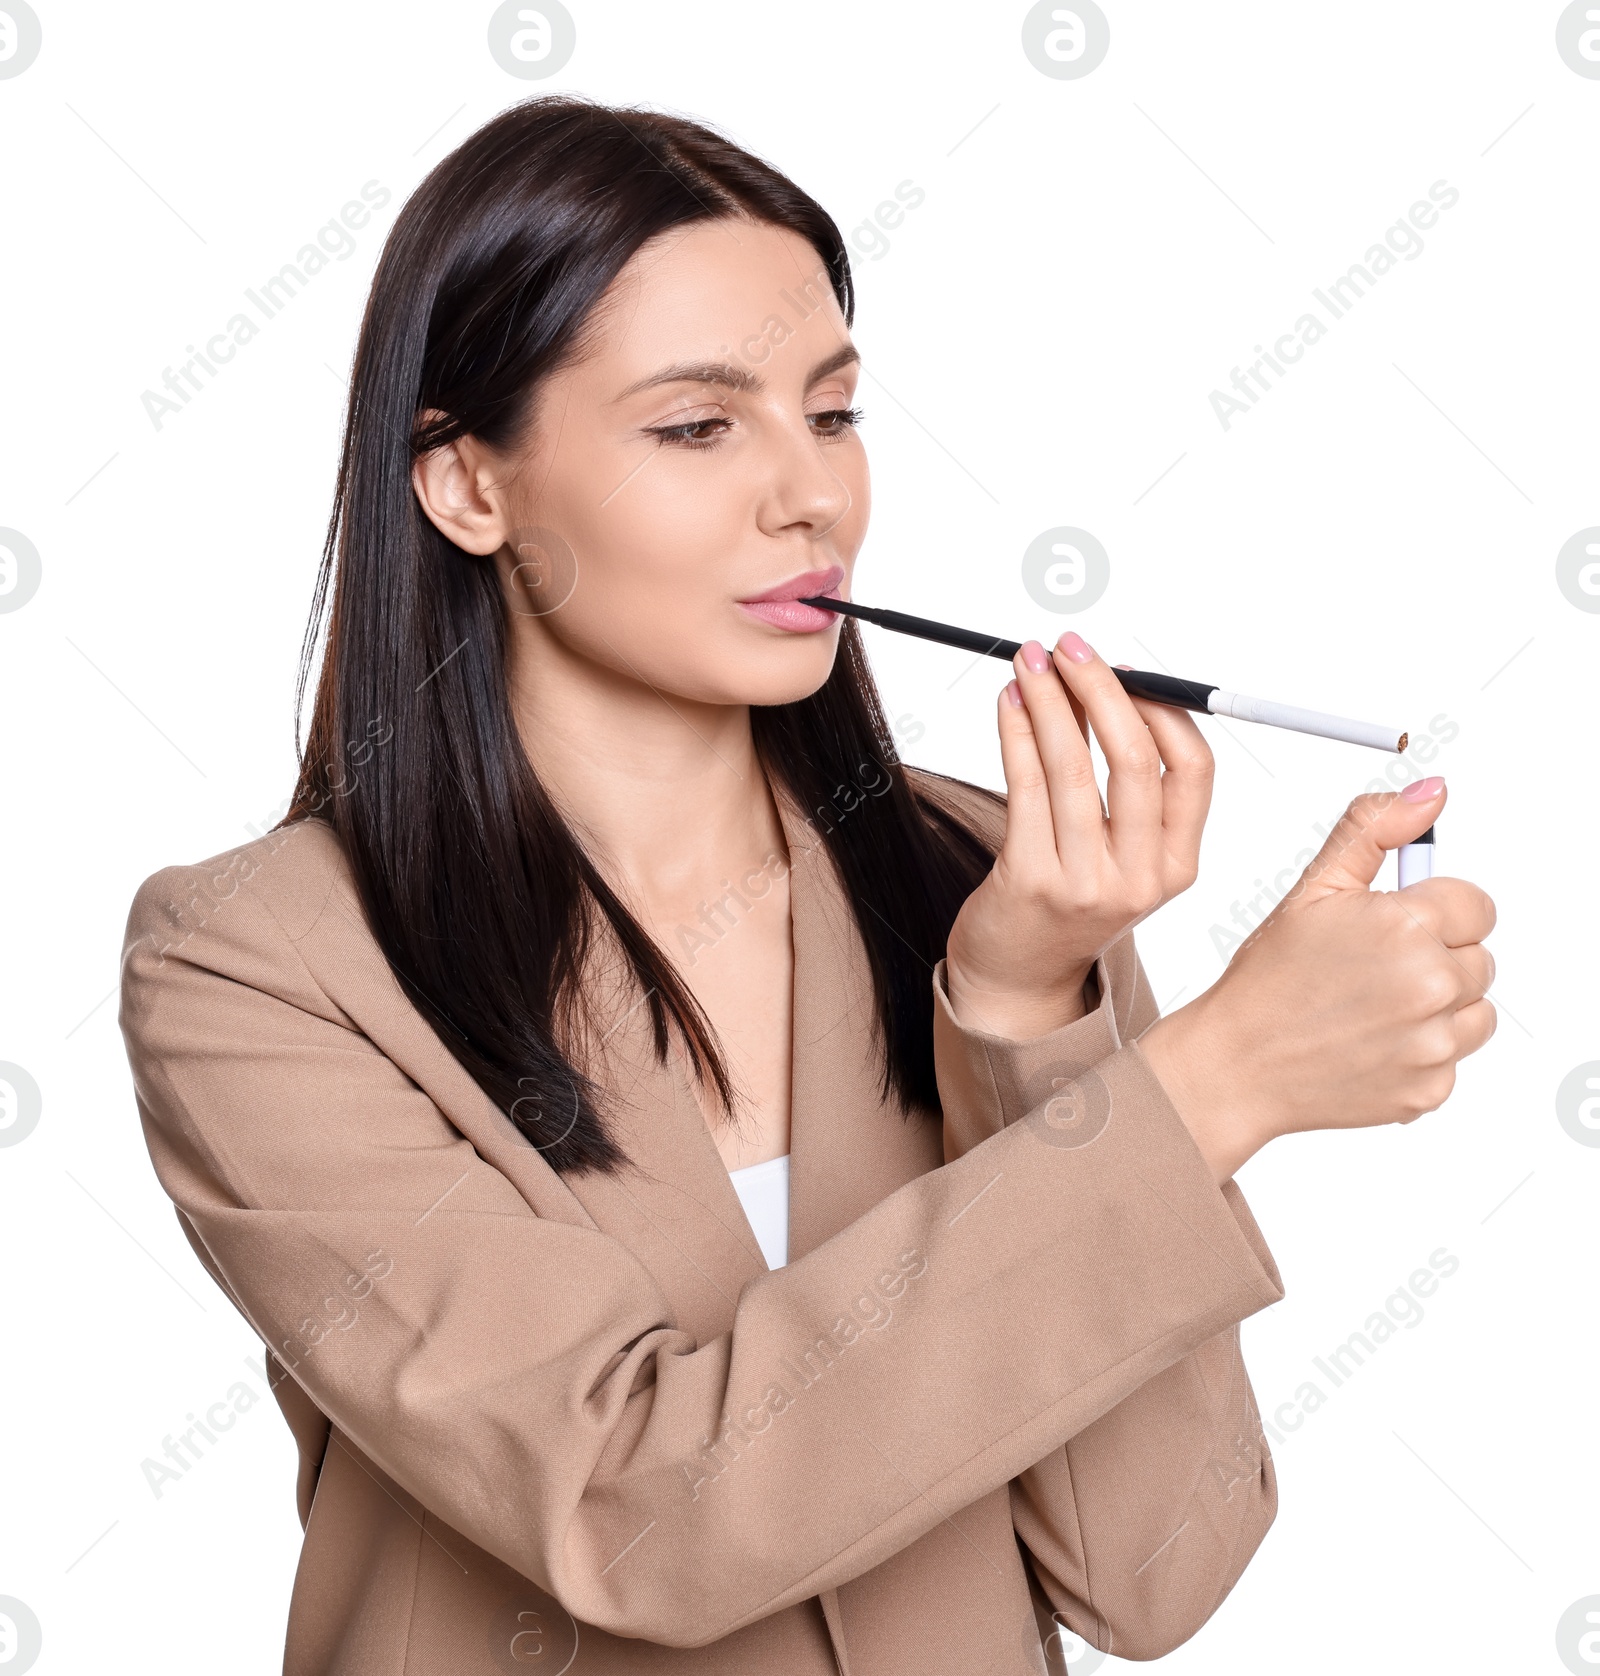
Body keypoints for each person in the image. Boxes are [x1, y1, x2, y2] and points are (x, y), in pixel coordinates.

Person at [118, 96, 1496, 1676]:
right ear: (467, 487)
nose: (810, 496)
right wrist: (1214, 1087)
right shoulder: (256, 966)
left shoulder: (991, 882)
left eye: (831, 414)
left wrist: (1032, 1015)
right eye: (699, 427)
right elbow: (633, 1511)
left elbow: (1151, 1575)